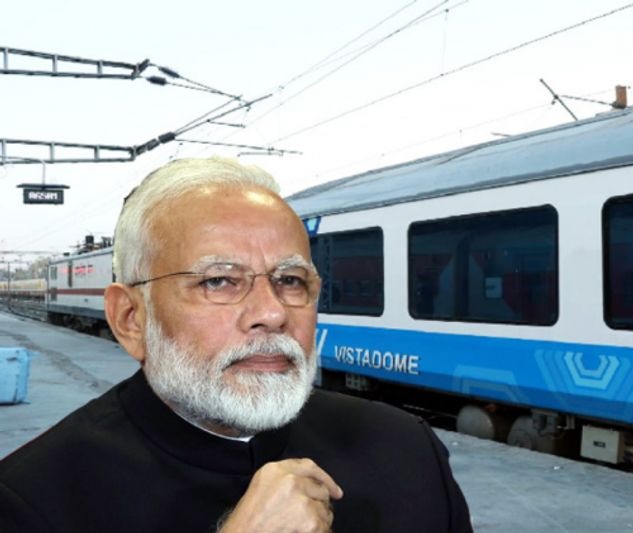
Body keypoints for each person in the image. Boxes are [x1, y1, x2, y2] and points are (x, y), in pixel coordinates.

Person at [0, 157, 473, 533]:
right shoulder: (28, 500)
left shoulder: (407, 449)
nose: (272, 312)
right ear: (131, 318)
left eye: (291, 280)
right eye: (219, 281)